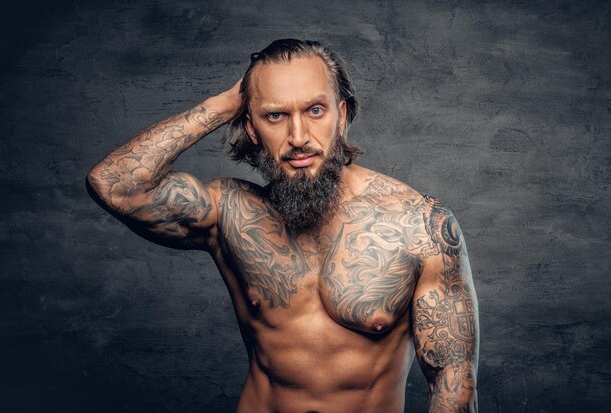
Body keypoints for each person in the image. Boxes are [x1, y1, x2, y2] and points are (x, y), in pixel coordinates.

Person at [86, 38, 479, 413]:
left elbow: (453, 382)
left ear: (341, 116)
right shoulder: (231, 213)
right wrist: (224, 105)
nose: (298, 137)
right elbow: (115, 186)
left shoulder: (417, 224)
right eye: (275, 115)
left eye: (315, 111)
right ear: (252, 127)